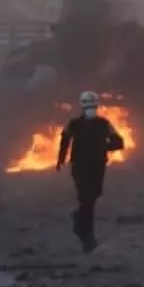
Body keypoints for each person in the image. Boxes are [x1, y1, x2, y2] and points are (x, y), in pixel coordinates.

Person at [56, 91, 124, 252]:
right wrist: (103, 147)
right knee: (88, 199)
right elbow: (118, 143)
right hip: (89, 166)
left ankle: (80, 224)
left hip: (88, 166)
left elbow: (119, 143)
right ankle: (87, 236)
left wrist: (61, 160)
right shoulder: (100, 124)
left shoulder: (86, 124)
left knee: (89, 199)